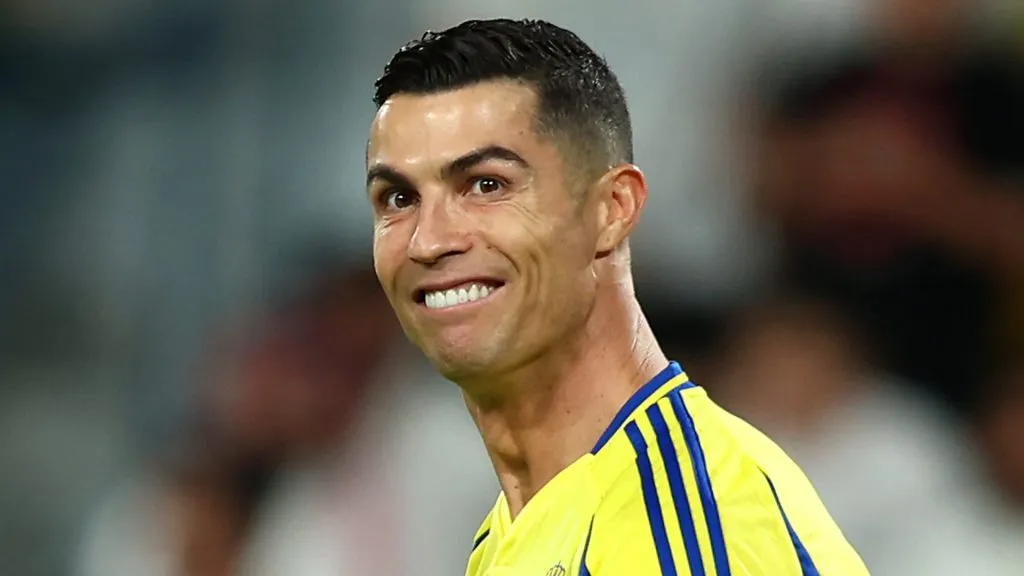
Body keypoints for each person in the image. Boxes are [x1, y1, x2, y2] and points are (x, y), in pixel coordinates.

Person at [364, 18, 869, 575]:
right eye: (398, 198)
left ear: (613, 209)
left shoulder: (675, 519)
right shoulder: (523, 524)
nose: (429, 241)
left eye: (487, 185)